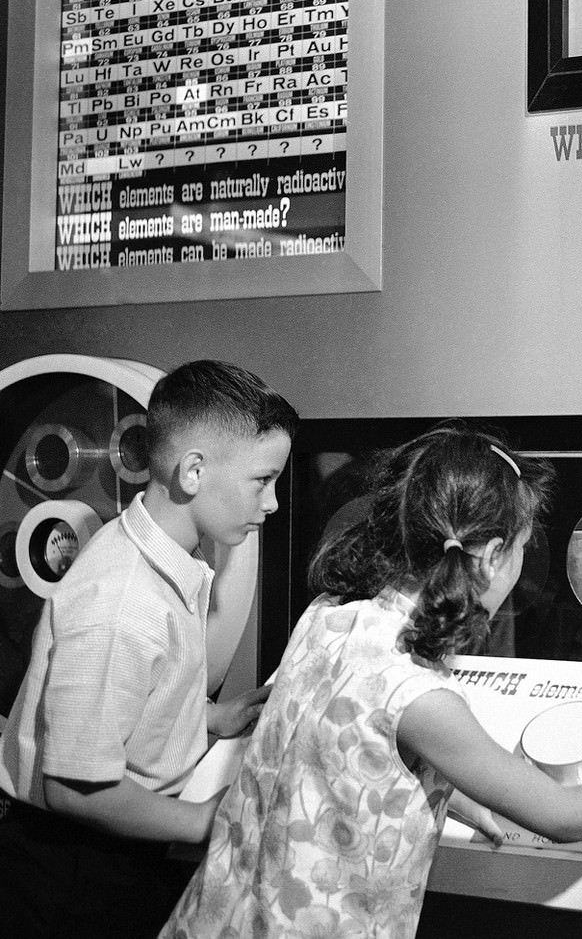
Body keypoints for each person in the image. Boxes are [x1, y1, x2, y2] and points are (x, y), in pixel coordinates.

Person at [161, 425, 582, 939]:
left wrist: (452, 785)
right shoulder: (420, 698)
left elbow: (341, 750)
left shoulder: (329, 613)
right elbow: (559, 814)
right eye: (522, 551)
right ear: (489, 555)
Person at [0, 359, 298, 938]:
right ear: (192, 471)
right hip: (75, 870)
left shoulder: (163, 555)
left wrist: (211, 717)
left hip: (113, 849)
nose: (273, 503)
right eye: (262, 481)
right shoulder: (123, 603)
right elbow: (76, 787)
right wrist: (205, 821)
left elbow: (135, 699)